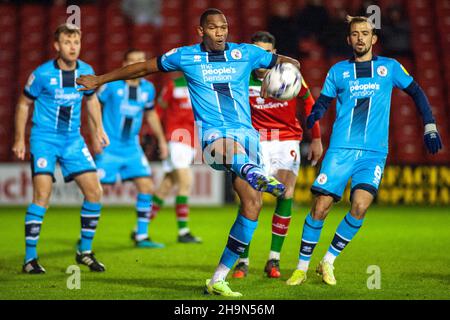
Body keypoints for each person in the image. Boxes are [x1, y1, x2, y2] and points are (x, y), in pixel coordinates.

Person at [76, 8, 301, 297]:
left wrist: (278, 79)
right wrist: (100, 79)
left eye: (224, 27)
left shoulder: (246, 53)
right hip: (214, 138)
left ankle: (218, 278)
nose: (220, 32)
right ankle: (251, 171)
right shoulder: (186, 56)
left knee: (252, 205)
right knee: (229, 148)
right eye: (213, 28)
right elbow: (144, 67)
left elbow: (290, 61)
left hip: (249, 138)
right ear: (201, 31)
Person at [286, 15, 443, 287]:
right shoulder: (337, 71)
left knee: (359, 206)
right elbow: (323, 101)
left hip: (373, 153)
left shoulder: (390, 68)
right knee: (321, 206)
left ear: (374, 39)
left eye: (365, 33)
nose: (360, 37)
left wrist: (429, 125)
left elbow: (417, 93)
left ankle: (329, 261)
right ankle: (301, 267)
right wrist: (314, 116)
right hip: (341, 150)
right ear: (348, 40)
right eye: (355, 34)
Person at [12, 23, 109, 274]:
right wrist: (19, 139)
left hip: (73, 140)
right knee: (42, 197)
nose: (73, 46)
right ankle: (30, 258)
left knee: (95, 192)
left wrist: (99, 130)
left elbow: (92, 101)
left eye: (76, 42)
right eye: (67, 42)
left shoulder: (86, 71)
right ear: (57, 46)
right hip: (44, 139)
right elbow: (24, 104)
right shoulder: (42, 74)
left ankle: (84, 252)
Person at [232, 31, 323, 279]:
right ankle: (242, 259)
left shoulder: (289, 74)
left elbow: (309, 102)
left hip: (286, 138)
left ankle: (274, 259)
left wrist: (315, 137)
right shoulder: (240, 77)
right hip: (255, 140)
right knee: (251, 200)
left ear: (273, 54)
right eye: (256, 51)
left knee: (286, 192)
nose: (261, 57)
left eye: (266, 53)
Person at [91, 48, 168, 248]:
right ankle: (86, 236)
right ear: (124, 63)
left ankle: (141, 236)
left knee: (147, 187)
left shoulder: (148, 88)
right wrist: (94, 137)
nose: (137, 65)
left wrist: (161, 140)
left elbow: (151, 114)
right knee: (93, 190)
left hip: (132, 148)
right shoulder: (110, 86)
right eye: (132, 61)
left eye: (141, 61)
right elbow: (93, 108)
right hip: (109, 147)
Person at [150, 73, 201, 244]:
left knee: (166, 186)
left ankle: (140, 227)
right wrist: (162, 139)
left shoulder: (202, 85)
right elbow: (156, 112)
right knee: (185, 182)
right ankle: (183, 231)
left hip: (191, 140)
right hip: (177, 139)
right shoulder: (174, 85)